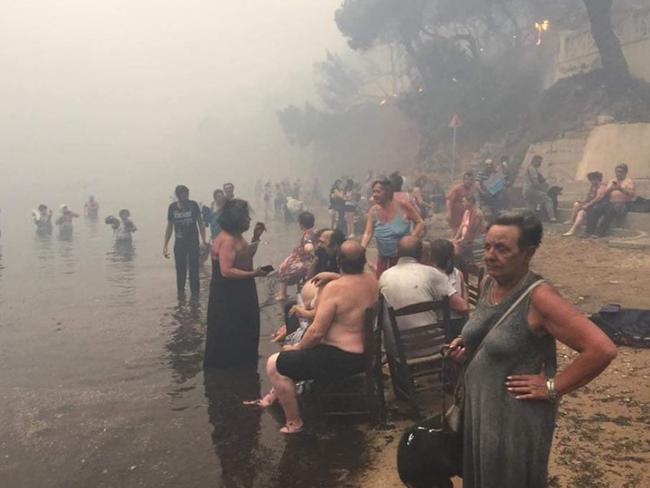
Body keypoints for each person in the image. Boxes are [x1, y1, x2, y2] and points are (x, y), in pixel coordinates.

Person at [448, 211, 617, 488]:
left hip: (513, 419)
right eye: (488, 246)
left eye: (502, 249)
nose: (490, 255)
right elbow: (490, 333)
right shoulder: (490, 281)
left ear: (527, 253)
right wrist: (467, 346)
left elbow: (602, 349)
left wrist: (553, 386)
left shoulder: (539, 297)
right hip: (482, 408)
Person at [248, 241, 378, 434]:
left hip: (341, 358)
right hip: (364, 354)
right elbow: (352, 281)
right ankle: (271, 399)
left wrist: (298, 347)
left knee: (274, 364)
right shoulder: (371, 280)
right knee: (287, 358)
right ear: (363, 261)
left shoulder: (335, 289)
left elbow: (316, 332)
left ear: (338, 260)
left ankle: (294, 423)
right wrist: (334, 276)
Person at [204, 199, 269, 369]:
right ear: (237, 218)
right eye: (246, 217)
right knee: (231, 328)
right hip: (229, 293)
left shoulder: (237, 237)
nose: (249, 220)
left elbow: (246, 255)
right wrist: (254, 274)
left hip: (242, 289)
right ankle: (231, 368)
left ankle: (244, 361)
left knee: (246, 325)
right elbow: (226, 271)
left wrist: (256, 237)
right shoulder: (227, 240)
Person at [380, 236, 468, 355]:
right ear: (422, 252)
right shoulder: (432, 273)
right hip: (435, 345)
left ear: (397, 252)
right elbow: (462, 307)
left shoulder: (384, 277)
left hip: (401, 349)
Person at [361, 179, 424, 278]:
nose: (374, 195)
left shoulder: (402, 205)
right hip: (383, 259)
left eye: (378, 191)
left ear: (387, 192)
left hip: (402, 260)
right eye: (373, 191)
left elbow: (420, 222)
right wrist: (362, 248)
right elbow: (368, 233)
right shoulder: (373, 211)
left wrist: (411, 239)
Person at [163, 185, 208, 300]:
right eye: (183, 194)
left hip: (193, 241)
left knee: (194, 269)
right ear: (178, 195)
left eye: (187, 193)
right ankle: (181, 294)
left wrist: (204, 241)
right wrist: (165, 245)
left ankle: (195, 295)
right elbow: (169, 226)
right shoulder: (172, 207)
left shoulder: (193, 205)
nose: (186, 196)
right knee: (180, 269)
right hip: (179, 243)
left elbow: (200, 223)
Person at [425, 239, 469, 339]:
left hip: (443, 325)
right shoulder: (458, 273)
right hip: (461, 322)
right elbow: (465, 298)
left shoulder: (432, 275)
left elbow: (463, 306)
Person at [584, 163, 636, 238]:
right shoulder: (612, 181)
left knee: (609, 211)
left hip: (623, 204)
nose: (618, 174)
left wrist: (620, 188)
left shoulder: (629, 181)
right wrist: (611, 188)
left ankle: (599, 233)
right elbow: (605, 193)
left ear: (625, 172)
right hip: (610, 203)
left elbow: (632, 195)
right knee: (595, 209)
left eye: (621, 172)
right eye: (617, 171)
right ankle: (588, 231)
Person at [275, 211, 316, 301]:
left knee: (283, 268)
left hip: (305, 260)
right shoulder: (312, 232)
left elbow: (309, 246)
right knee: (285, 265)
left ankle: (282, 294)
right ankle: (283, 292)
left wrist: (307, 249)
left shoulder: (307, 235)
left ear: (301, 224)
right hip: (304, 258)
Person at [563, 171, 607, 237]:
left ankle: (572, 230)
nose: (591, 181)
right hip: (590, 204)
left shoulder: (602, 186)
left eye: (592, 179)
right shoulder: (593, 186)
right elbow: (589, 197)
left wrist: (587, 204)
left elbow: (598, 198)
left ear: (597, 179)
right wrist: (583, 202)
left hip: (597, 206)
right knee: (576, 204)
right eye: (591, 179)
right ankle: (572, 220)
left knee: (581, 212)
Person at [523, 155, 557, 222]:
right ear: (535, 161)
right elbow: (535, 182)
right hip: (531, 190)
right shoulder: (532, 169)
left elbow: (541, 179)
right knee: (548, 199)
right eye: (539, 162)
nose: (540, 163)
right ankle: (552, 218)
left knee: (532, 206)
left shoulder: (531, 168)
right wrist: (543, 189)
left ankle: (530, 221)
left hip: (525, 191)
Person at [452, 194, 485, 263]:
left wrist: (463, 241)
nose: (462, 203)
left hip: (474, 239)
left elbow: (473, 229)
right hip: (466, 239)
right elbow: (462, 225)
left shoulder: (477, 213)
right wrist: (456, 238)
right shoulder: (467, 212)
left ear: (470, 202)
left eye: (464, 201)